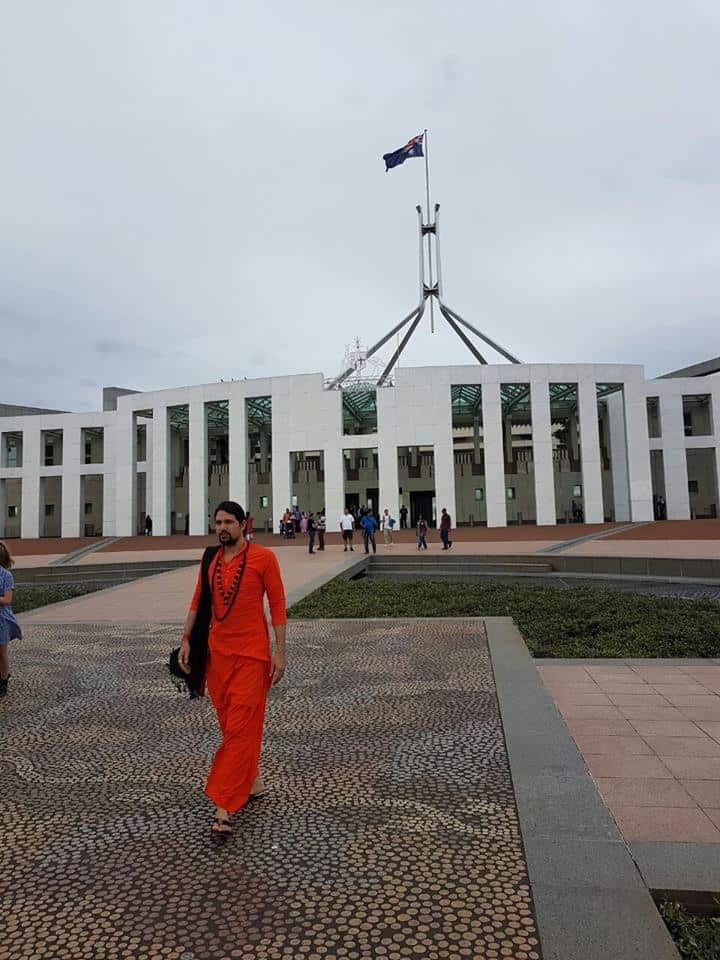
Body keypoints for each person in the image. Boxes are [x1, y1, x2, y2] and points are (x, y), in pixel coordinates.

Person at [179, 501, 287, 837]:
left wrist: (279, 651)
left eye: (228, 522)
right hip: (217, 657)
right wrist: (185, 639)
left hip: (252, 656)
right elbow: (198, 599)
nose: (222, 527)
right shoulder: (210, 559)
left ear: (243, 524)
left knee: (240, 727)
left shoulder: (264, 558)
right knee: (233, 727)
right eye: (218, 522)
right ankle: (251, 781)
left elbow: (279, 602)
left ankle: (223, 806)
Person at [0, 541, 21, 698]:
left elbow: (7, 599)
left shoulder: (6, 575)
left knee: (1, 653)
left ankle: (4, 680)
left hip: (2, 619)